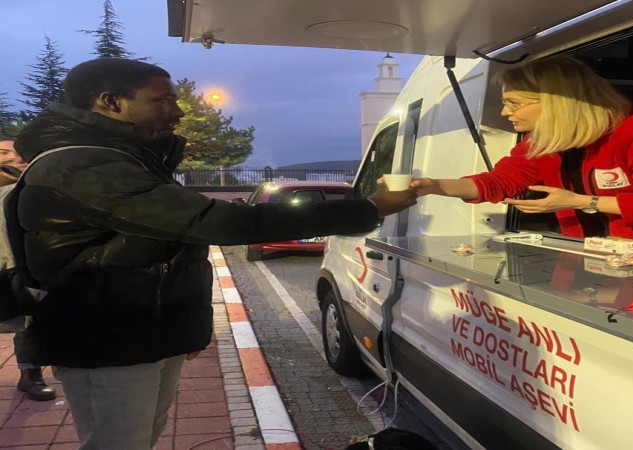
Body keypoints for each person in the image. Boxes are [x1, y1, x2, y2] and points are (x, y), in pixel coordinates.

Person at [12, 58, 417, 450]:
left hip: (137, 334)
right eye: (163, 100)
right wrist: (370, 207)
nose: (178, 110)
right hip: (105, 339)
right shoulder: (84, 165)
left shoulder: (121, 158)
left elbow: (160, 247)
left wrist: (178, 331)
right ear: (112, 102)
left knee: (141, 436)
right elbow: (217, 222)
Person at [410, 55, 633, 240]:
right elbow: (499, 182)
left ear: (557, 103)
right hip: (593, 262)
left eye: (513, 103)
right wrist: (432, 186)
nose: (505, 113)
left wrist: (583, 201)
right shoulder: (545, 142)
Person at [0, 137, 56, 402]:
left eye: (18, 153)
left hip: (20, 267)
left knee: (26, 319)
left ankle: (30, 374)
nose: (14, 157)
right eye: (4, 153)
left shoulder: (28, 190)